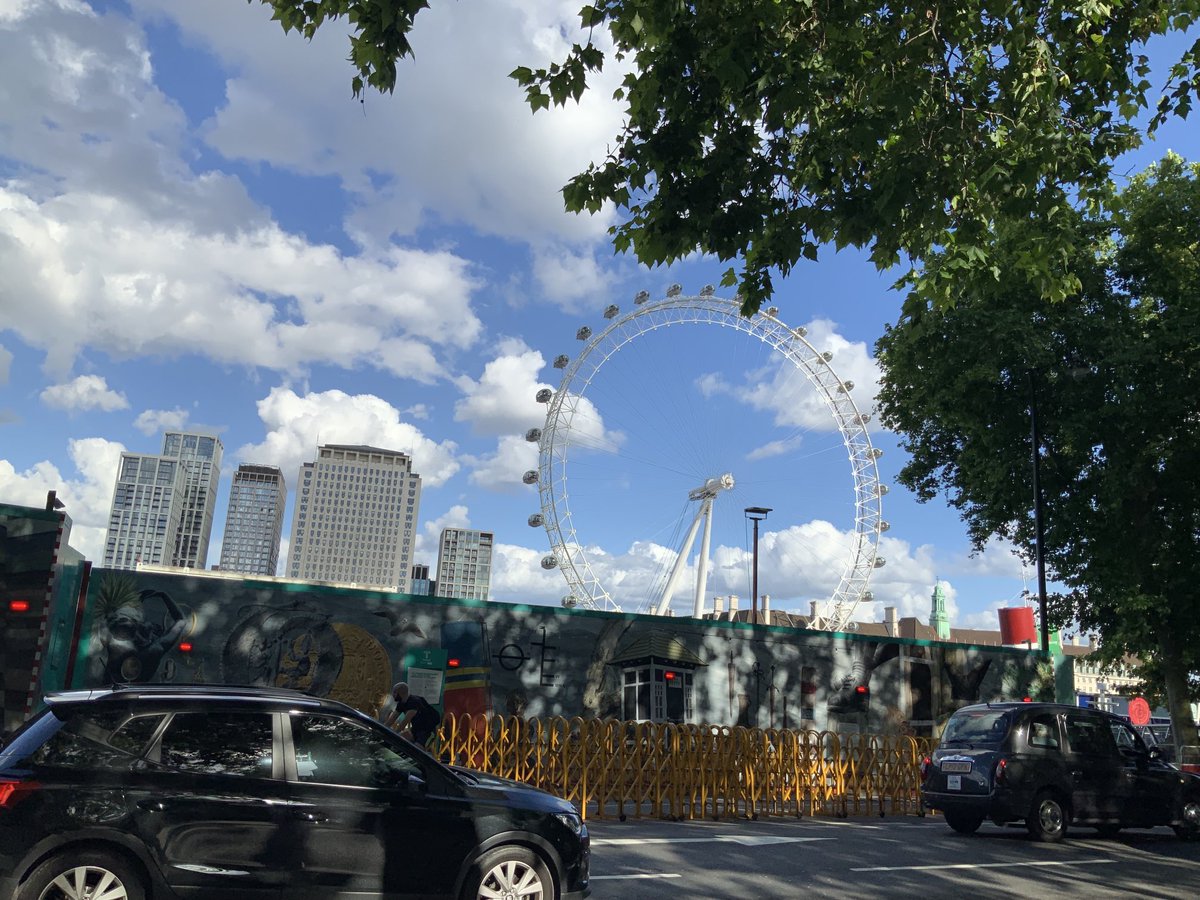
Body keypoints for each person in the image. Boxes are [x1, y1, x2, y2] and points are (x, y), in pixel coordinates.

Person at [383, 682, 441, 749]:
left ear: (401, 693)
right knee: (400, 740)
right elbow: (391, 720)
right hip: (416, 728)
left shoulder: (414, 702)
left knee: (416, 749)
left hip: (427, 730)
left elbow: (403, 724)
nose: (393, 695)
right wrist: (381, 730)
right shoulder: (401, 703)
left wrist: (392, 735)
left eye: (395, 693)